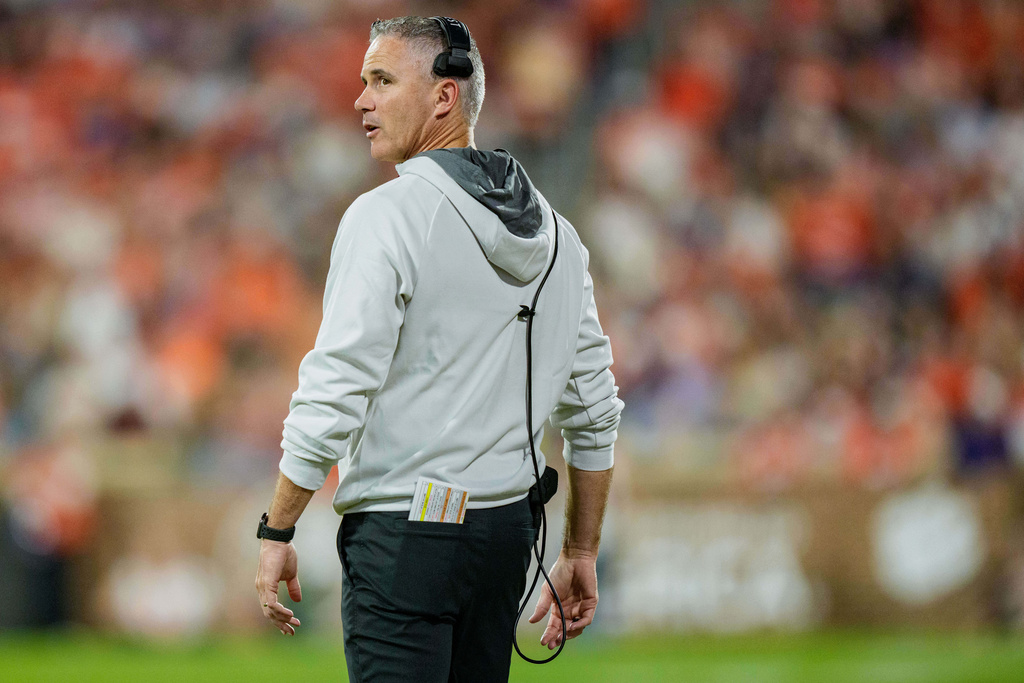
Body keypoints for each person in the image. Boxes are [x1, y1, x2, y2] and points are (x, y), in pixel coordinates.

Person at [254, 15, 623, 682]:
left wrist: (278, 527)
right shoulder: (560, 236)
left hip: (407, 532)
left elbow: (336, 384)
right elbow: (594, 410)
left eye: (382, 80)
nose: (360, 100)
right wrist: (580, 548)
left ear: (444, 97)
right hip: (510, 536)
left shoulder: (387, 214)